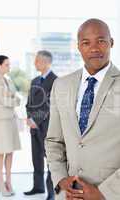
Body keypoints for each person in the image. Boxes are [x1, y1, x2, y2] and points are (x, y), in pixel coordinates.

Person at [45, 18, 120, 200]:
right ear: (78, 46)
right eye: (86, 43)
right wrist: (60, 179)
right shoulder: (61, 85)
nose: (94, 48)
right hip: (70, 194)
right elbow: (54, 140)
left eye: (101, 41)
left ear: (111, 43)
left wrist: (105, 193)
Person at [24, 50, 57, 200]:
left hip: (48, 127)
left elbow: (49, 104)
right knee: (36, 158)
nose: (35, 63)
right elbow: (29, 103)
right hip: (34, 128)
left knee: (51, 160)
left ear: (46, 62)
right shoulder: (34, 81)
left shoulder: (56, 81)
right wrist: (29, 118)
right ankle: (38, 187)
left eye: (37, 60)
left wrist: (35, 120)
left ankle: (51, 192)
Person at [0, 55, 21, 197]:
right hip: (1, 121)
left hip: (11, 119)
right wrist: (12, 99)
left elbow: (17, 97)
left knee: (10, 151)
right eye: (6, 65)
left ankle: (9, 182)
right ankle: (1, 183)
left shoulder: (8, 80)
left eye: (9, 64)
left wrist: (12, 98)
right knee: (0, 152)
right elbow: (3, 101)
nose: (9, 67)